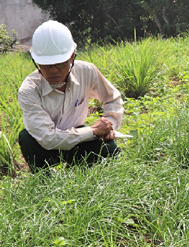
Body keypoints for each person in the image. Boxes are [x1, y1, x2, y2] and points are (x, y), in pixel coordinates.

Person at [18, 20, 124, 172]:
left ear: (72, 57)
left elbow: (112, 98)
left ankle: (81, 169)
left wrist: (109, 125)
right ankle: (43, 178)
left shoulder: (86, 71)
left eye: (60, 63)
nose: (53, 70)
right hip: (45, 146)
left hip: (79, 137)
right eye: (46, 65)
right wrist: (93, 131)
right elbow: (48, 138)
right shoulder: (29, 90)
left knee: (110, 150)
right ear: (36, 62)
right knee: (27, 138)